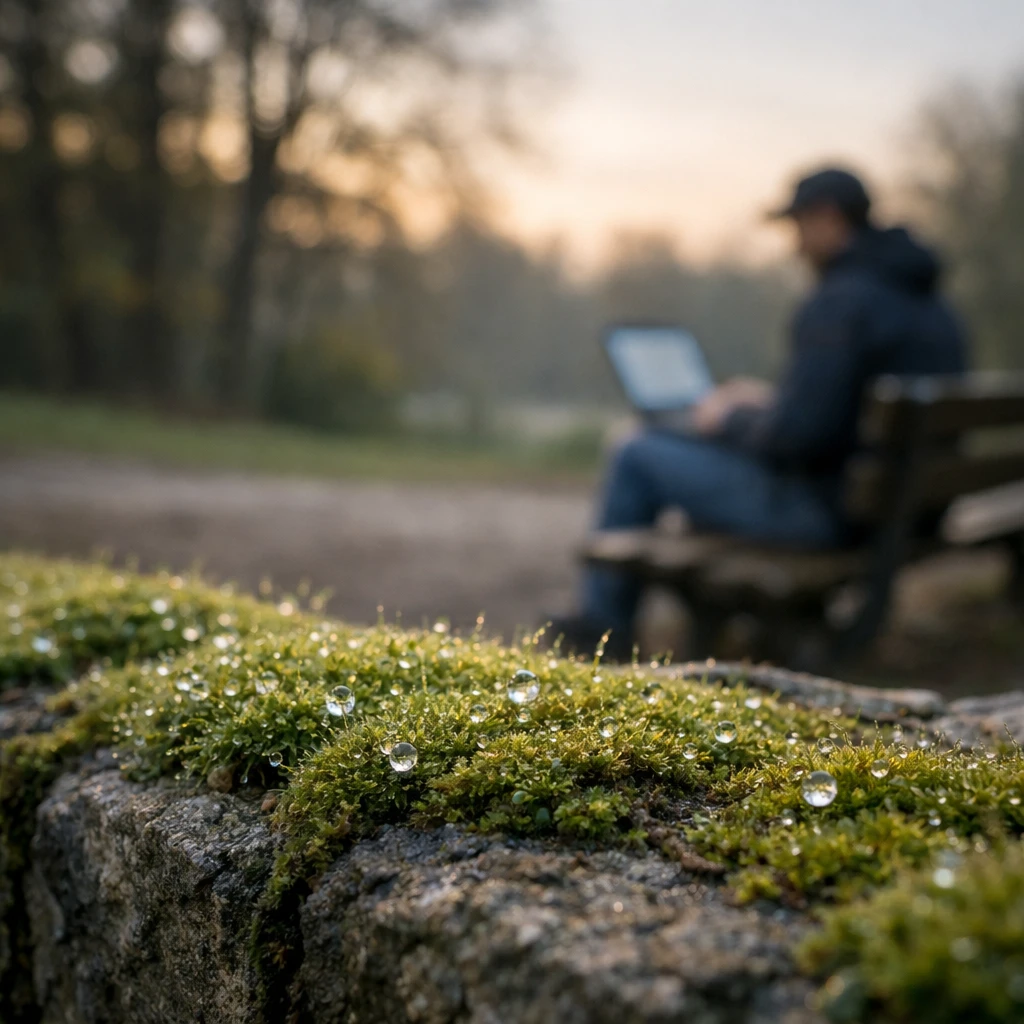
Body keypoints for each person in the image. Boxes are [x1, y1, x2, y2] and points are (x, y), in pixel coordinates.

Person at [552, 166, 968, 659]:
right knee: (674, 445)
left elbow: (798, 439)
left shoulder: (841, 301)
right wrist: (772, 403)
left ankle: (604, 629)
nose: (796, 246)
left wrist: (725, 418)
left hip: (829, 516)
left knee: (637, 450)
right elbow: (840, 410)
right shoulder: (930, 305)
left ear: (828, 218)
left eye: (798, 227)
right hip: (903, 512)